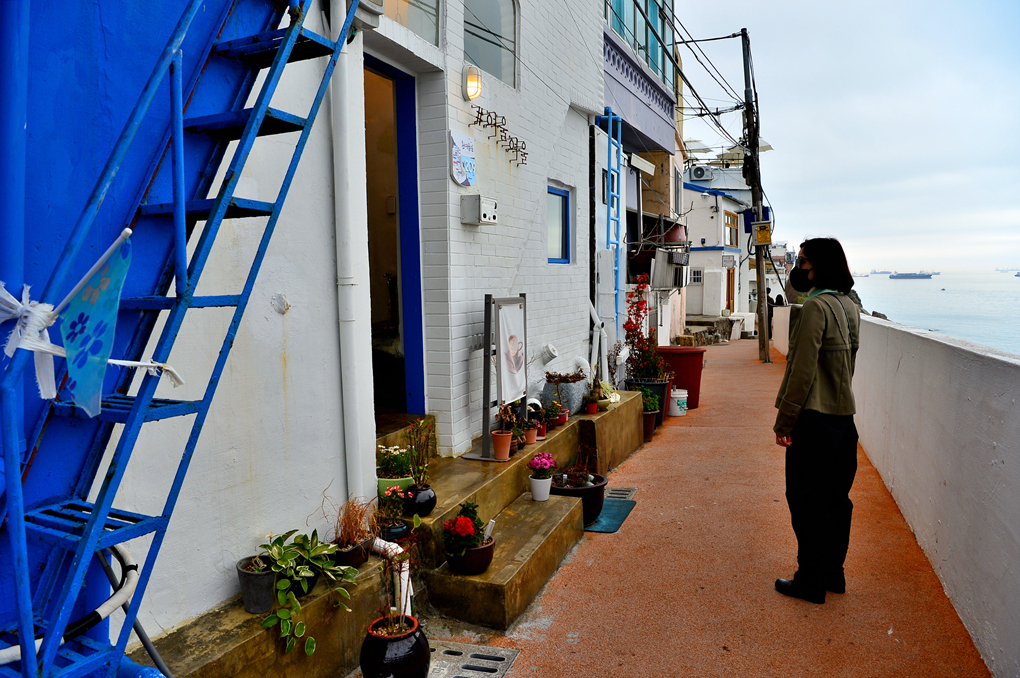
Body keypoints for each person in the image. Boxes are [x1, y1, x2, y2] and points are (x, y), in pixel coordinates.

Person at [773, 238, 861, 605]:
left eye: (803, 262)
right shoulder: (849, 305)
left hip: (813, 421)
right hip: (844, 420)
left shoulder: (814, 307)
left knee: (806, 500)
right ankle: (832, 573)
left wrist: (785, 421)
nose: (798, 268)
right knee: (837, 501)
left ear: (819, 267)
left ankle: (809, 580)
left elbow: (801, 370)